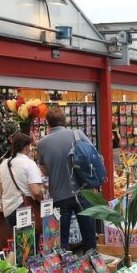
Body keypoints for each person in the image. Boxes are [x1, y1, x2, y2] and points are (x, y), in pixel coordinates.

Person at [37, 106, 97, 252]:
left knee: (60, 239)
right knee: (89, 235)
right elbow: (93, 157)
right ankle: (92, 265)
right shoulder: (77, 134)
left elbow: (44, 171)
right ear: (64, 120)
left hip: (58, 195)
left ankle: (62, 268)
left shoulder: (42, 144)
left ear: (48, 123)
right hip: (82, 192)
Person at [0, 133, 43, 230]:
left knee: (19, 243)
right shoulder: (29, 163)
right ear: (27, 147)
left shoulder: (3, 164)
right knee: (29, 242)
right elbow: (36, 191)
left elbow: (2, 190)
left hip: (9, 210)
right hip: (25, 209)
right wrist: (43, 202)